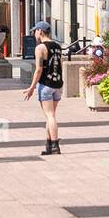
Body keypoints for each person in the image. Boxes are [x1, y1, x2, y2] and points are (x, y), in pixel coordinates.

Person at [23, 20, 63, 155]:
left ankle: (55, 145)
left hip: (45, 84)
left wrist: (31, 88)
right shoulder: (57, 46)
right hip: (57, 84)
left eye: (35, 31)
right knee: (51, 116)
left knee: (50, 116)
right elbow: (60, 65)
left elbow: (39, 69)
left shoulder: (40, 48)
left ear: (40, 31)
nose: (34, 34)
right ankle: (49, 144)